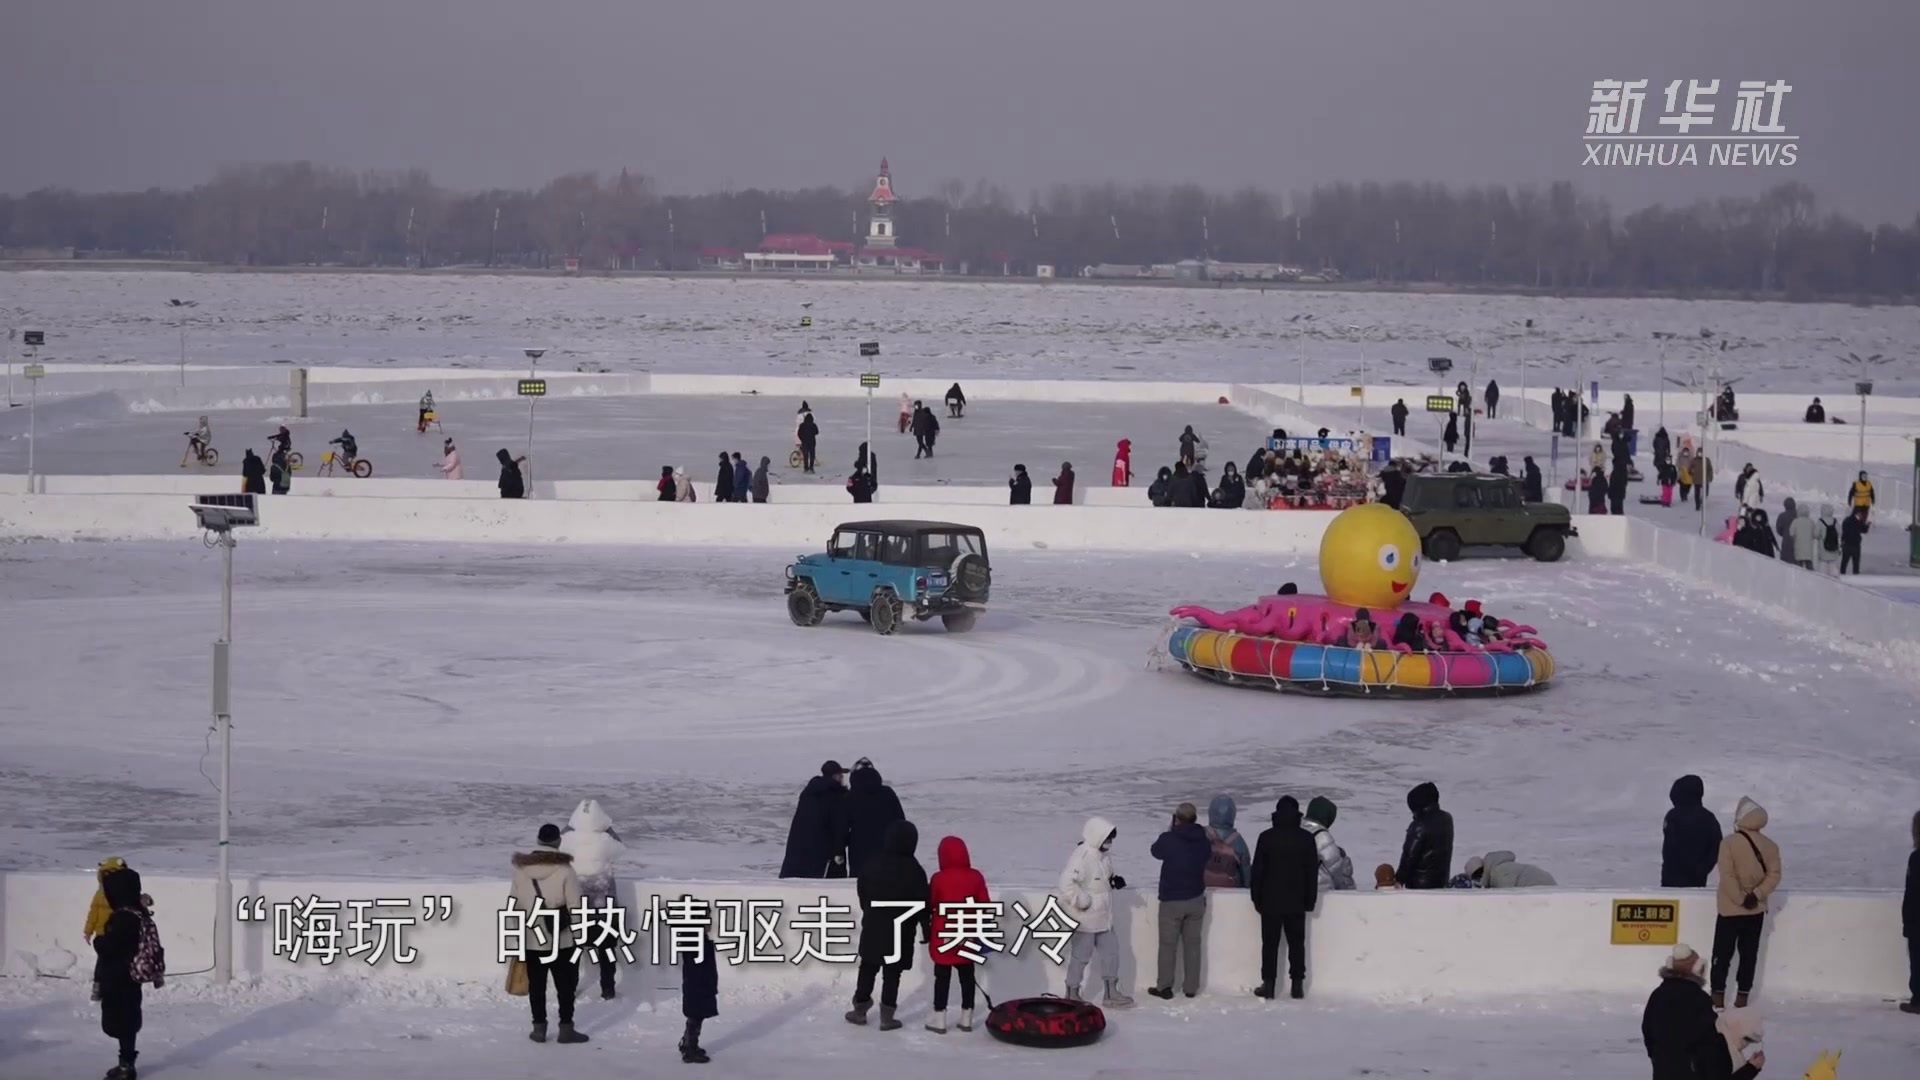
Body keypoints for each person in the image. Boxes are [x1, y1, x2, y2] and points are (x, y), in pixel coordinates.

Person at [845, 820, 930, 1032]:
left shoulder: (872, 863)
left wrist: (870, 911)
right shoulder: (915, 869)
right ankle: (887, 1017)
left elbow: (862, 890)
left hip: (874, 926)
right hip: (901, 931)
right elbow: (922, 903)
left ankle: (859, 1010)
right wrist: (925, 929)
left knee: (868, 967)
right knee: (892, 974)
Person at [509, 823, 589, 1044]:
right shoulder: (565, 870)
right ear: (558, 842)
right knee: (566, 986)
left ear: (538, 840)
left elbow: (514, 904)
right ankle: (566, 1029)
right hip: (562, 938)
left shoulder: (521, 870)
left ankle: (539, 1029)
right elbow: (576, 905)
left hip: (532, 935)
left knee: (536, 985)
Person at [1711, 796, 1781, 1009]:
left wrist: (1740, 899)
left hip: (1729, 910)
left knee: (1722, 955)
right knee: (1749, 955)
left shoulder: (1728, 843)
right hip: (1755, 911)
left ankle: (1718, 998)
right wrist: (1757, 895)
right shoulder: (1770, 846)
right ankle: (1742, 998)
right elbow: (1774, 875)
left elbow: (1727, 875)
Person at [1250, 796, 1319, 1000]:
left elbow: (1258, 872)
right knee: (1297, 943)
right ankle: (1297, 985)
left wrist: (1256, 898)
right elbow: (1311, 874)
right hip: (1297, 901)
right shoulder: (1306, 838)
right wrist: (1310, 900)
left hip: (1270, 901)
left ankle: (1269, 985)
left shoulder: (1266, 837)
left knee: (1269, 944)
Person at [1059, 816, 1132, 1007]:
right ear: (1097, 836)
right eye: (1107, 839)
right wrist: (1081, 899)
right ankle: (1072, 993)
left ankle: (1111, 993)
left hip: (1104, 918)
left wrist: (1114, 880)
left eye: (1111, 839)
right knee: (1080, 958)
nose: (1110, 843)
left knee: (1111, 954)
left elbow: (1103, 877)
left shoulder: (1103, 856)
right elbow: (1066, 884)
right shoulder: (1081, 856)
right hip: (1085, 919)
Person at [92, 864, 156, 1080]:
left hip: (118, 977)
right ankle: (126, 1063)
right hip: (130, 977)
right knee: (127, 1021)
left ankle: (126, 1067)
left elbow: (110, 946)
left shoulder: (123, 918)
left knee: (120, 1022)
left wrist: (99, 940)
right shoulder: (137, 912)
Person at [558, 799, 626, 1000]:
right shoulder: (606, 841)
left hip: (577, 906)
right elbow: (622, 848)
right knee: (607, 951)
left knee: (574, 951)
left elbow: (560, 840)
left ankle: (569, 987)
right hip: (604, 906)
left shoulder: (568, 839)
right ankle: (608, 988)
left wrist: (571, 826)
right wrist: (608, 828)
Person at [925, 834, 991, 1033]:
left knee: (942, 977)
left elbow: (931, 904)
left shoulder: (938, 878)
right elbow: (985, 905)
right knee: (967, 976)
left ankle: (939, 1018)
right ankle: (967, 1018)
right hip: (968, 934)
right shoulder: (976, 876)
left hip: (944, 936)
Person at [1148, 802, 1211, 1000]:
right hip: (1195, 898)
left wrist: (1171, 830)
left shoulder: (1169, 838)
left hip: (1171, 900)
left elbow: (1155, 851)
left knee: (1168, 945)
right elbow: (1206, 857)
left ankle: (1165, 986)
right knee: (1193, 945)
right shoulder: (1203, 840)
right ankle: (1191, 987)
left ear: (1176, 818)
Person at [1642, 942, 1718, 1080]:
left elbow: (1647, 1028)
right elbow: (1710, 1038)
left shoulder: (1658, 994)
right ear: (1697, 969)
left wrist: (1655, 1056)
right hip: (1692, 1069)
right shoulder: (1701, 999)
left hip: (1661, 1067)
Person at [779, 761, 849, 879]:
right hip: (824, 849)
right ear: (835, 776)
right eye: (841, 775)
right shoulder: (836, 796)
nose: (842, 778)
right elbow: (838, 824)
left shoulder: (809, 792)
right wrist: (839, 848)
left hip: (800, 847)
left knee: (799, 880)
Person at [844, 757, 906, 878]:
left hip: (859, 848)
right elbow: (900, 821)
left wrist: (839, 848)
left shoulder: (849, 797)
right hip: (886, 845)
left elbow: (843, 826)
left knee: (860, 882)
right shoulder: (888, 792)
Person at [1662, 775, 1723, 888]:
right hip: (1696, 878)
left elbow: (1668, 848)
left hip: (1671, 877)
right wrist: (1703, 869)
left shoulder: (1672, 816)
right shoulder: (1708, 817)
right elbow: (1717, 846)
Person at [1396, 781, 1454, 890]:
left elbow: (1409, 856)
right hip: (1441, 881)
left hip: (1419, 885)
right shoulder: (1447, 819)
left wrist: (1399, 879)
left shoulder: (1419, 825)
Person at [678, 915, 718, 1063]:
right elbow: (697, 967)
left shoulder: (700, 939)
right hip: (697, 986)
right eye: (707, 922)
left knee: (695, 1016)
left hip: (700, 985)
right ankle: (690, 1050)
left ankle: (687, 1043)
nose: (710, 926)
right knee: (696, 1016)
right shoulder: (694, 941)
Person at [1203, 795, 1252, 889]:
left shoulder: (1200, 834)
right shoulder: (1238, 840)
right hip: (1230, 889)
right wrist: (1247, 888)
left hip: (1202, 887)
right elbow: (1246, 871)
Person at [1701, 1010, 1766, 1080]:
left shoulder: (1723, 1043)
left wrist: (1752, 1066)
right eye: (1747, 1039)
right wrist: (1751, 1068)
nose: (1747, 1044)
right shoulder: (1715, 1051)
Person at [1462, 851, 1556, 887]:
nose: (1479, 879)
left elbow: (1506, 898)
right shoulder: (1499, 868)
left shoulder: (1498, 872)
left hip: (1541, 886)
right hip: (1543, 885)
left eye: (1478, 874)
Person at [1903, 809, 1920, 1014]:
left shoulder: (1916, 858)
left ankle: (1918, 999)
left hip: (1917, 919)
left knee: (1917, 960)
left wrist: (1907, 920)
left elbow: (1913, 892)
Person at [1840, 505, 1869, 574]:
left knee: (1845, 562)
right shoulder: (1857, 521)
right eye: (1860, 513)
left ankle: (1842, 575)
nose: (1862, 515)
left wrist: (1867, 526)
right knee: (1854, 563)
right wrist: (1866, 526)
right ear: (1857, 513)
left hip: (1849, 544)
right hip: (1853, 545)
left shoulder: (1847, 520)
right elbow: (1864, 530)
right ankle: (1854, 575)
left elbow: (1863, 530)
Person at [1815, 504, 1841, 576]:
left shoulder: (1820, 522)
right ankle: (1834, 583)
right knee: (1833, 569)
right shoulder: (1835, 521)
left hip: (1823, 551)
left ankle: (1824, 584)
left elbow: (1816, 534)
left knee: (1823, 571)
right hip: (1834, 550)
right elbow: (1841, 532)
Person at [1788, 503, 1815, 570]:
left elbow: (1791, 533)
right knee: (1809, 567)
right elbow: (1815, 534)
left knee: (1798, 568)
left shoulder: (1795, 521)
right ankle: (1811, 579)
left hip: (1798, 548)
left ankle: (1799, 579)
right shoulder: (1811, 522)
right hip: (1809, 549)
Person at [1773, 497, 1798, 564]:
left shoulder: (1782, 516)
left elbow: (1779, 530)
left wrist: (1784, 534)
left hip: (1786, 543)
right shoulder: (1799, 515)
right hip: (1798, 543)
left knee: (1786, 565)